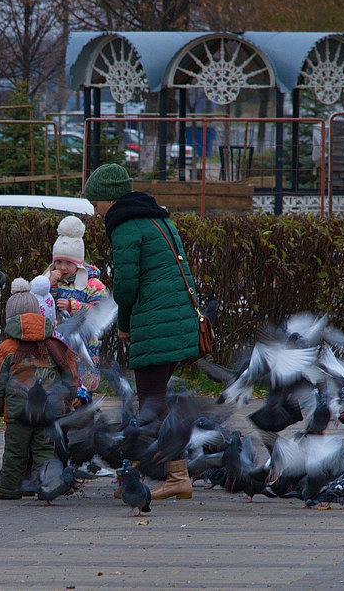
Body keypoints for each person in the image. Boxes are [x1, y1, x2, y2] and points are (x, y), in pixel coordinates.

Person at [83, 163, 201, 500]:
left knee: (153, 404)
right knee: (151, 402)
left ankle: (177, 476)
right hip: (177, 321)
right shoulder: (156, 217)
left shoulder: (125, 225)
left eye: (96, 203)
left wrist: (123, 325)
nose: (95, 210)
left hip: (155, 323)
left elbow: (126, 284)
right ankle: (133, 474)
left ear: (110, 199)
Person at [0, 279, 77, 500]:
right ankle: (47, 489)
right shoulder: (54, 344)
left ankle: (7, 490)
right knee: (45, 453)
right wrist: (69, 401)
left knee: (15, 454)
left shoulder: (5, 349)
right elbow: (69, 375)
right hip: (48, 413)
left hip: (18, 416)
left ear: (10, 320)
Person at [42, 215, 109, 381]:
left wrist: (74, 307)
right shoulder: (49, 280)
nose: (62, 267)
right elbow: (39, 303)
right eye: (58, 262)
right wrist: (47, 285)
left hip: (84, 343)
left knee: (82, 378)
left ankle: (84, 399)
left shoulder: (93, 285)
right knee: (59, 381)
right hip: (56, 342)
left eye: (68, 263)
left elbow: (101, 310)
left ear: (78, 263)